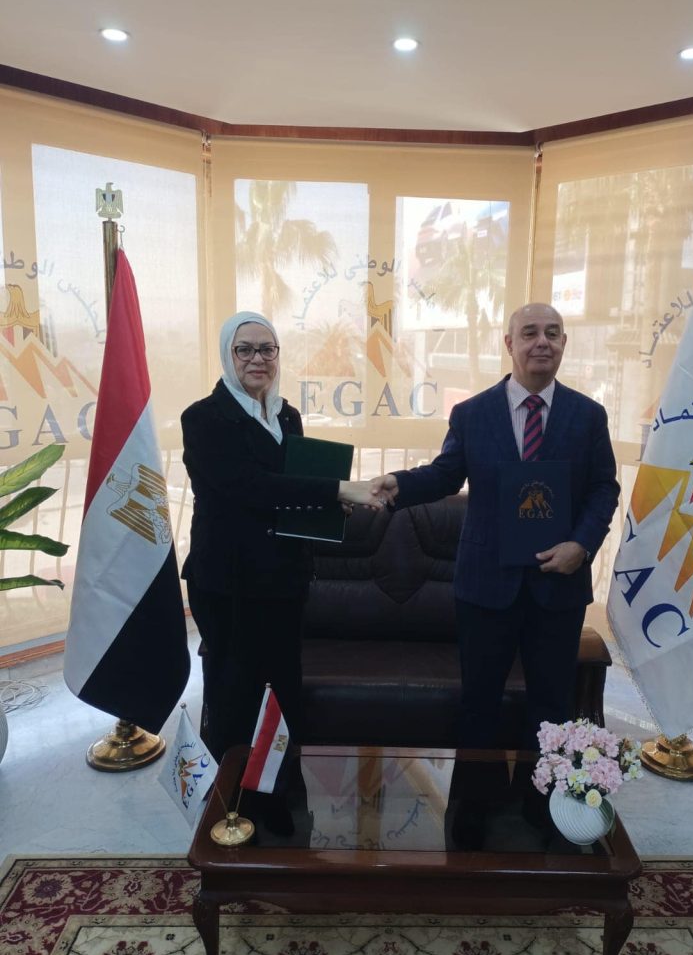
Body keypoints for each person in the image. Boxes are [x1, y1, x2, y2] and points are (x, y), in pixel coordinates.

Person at [371, 302, 619, 750]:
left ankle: (541, 793)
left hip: (558, 586)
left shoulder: (588, 416)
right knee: (479, 705)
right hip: (486, 585)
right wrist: (399, 484)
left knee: (552, 709)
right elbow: (446, 475)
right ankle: (476, 793)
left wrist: (581, 546)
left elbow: (604, 488)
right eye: (529, 333)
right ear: (509, 343)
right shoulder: (472, 413)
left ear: (564, 343)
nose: (542, 342)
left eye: (552, 333)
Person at [181, 311, 382, 762]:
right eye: (245, 349)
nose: (258, 359)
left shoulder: (287, 415)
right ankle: (233, 792)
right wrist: (337, 489)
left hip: (284, 578)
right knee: (236, 694)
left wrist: (327, 505)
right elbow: (249, 487)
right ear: (227, 355)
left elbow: (291, 489)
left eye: (267, 349)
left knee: (283, 687)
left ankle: (280, 783)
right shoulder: (202, 418)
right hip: (229, 583)